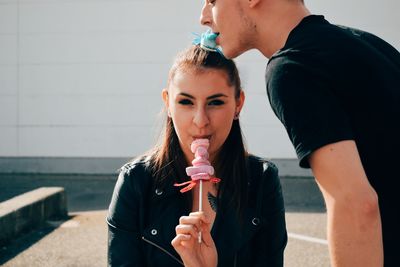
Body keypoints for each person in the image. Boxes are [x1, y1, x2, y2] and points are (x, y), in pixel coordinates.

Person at [199, 0, 400, 266]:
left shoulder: (293, 68)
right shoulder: (370, 45)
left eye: (212, 1)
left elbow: (355, 204)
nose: (203, 17)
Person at [107, 45, 287, 266]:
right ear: (168, 104)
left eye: (215, 102)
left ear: (238, 104)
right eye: (185, 102)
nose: (201, 120)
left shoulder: (261, 180)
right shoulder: (136, 183)